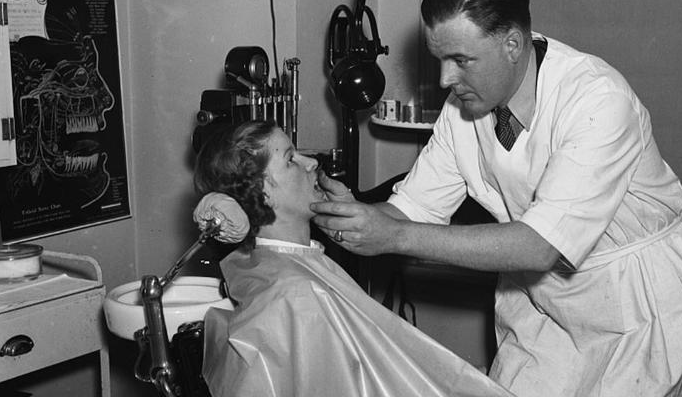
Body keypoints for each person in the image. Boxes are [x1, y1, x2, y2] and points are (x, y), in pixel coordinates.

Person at [310, 0, 682, 396]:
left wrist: (395, 236)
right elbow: (412, 209)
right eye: (440, 59)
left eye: (461, 60)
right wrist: (356, 217)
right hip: (544, 305)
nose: (445, 79)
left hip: (639, 302)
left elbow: (540, 245)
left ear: (513, 44)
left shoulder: (597, 99)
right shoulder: (464, 108)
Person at [192, 120, 514, 397]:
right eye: (291, 159)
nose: (312, 163)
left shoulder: (266, 267)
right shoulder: (297, 294)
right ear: (263, 193)